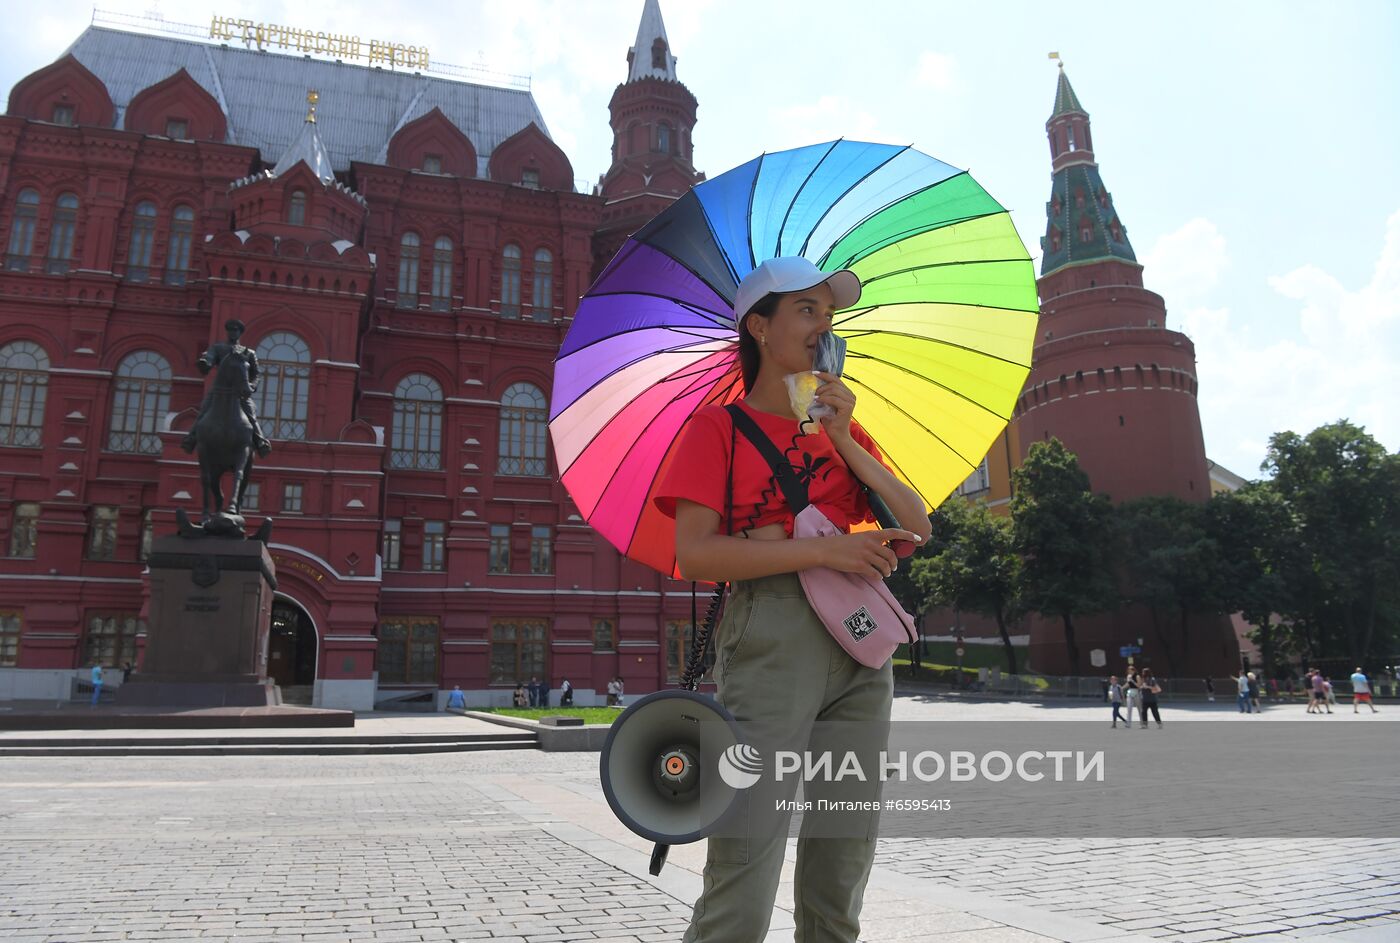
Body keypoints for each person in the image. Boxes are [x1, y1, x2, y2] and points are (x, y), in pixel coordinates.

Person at [654, 257, 930, 943]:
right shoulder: (716, 430)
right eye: (806, 310)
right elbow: (697, 553)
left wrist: (842, 438)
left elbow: (918, 523)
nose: (822, 327)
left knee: (843, 860)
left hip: (861, 640)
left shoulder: (841, 428)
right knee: (746, 865)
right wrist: (821, 548)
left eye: (827, 315)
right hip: (771, 631)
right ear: (760, 325)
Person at [180, 319, 273, 457]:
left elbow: (256, 374)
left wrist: (251, 386)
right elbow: (209, 360)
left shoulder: (248, 353)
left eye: (236, 330)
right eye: (230, 330)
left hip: (240, 393)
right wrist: (205, 363)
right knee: (204, 410)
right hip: (219, 391)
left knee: (250, 413)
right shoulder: (218, 348)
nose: (233, 333)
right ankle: (191, 439)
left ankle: (260, 441)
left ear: (240, 333)